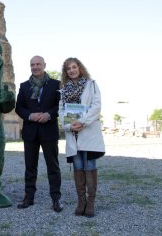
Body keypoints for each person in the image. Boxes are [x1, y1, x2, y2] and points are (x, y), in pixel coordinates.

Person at [15, 55, 63, 212]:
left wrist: (49, 114)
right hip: (30, 132)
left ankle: (56, 199)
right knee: (30, 167)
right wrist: (30, 115)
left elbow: (60, 106)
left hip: (49, 130)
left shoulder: (56, 85)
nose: (35, 67)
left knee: (53, 166)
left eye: (38, 64)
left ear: (44, 65)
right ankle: (29, 198)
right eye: (32, 64)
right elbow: (19, 107)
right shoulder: (23, 86)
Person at [59, 57, 105, 217]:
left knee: (90, 166)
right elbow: (61, 111)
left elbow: (96, 106)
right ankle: (81, 201)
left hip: (88, 132)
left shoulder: (91, 85)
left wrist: (82, 122)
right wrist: (68, 125)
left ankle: (90, 202)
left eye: (73, 67)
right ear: (65, 72)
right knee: (78, 167)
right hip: (73, 134)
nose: (71, 70)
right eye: (68, 69)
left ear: (79, 68)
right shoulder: (64, 90)